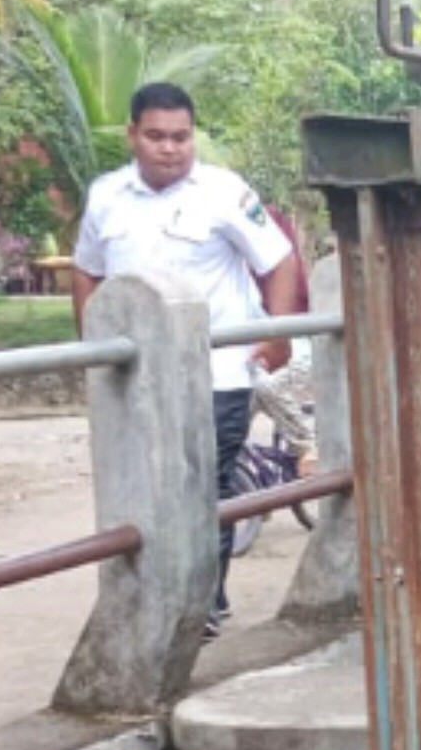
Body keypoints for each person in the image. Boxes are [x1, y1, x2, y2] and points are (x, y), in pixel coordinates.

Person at [70, 82, 305, 630]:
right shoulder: (106, 196)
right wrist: (93, 339)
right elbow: (87, 269)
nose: (170, 149)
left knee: (206, 487)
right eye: (156, 136)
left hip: (216, 371)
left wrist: (275, 331)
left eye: (180, 137)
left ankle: (203, 600)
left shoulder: (223, 192)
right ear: (133, 135)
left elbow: (279, 260)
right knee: (145, 489)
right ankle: (155, 601)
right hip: (137, 376)